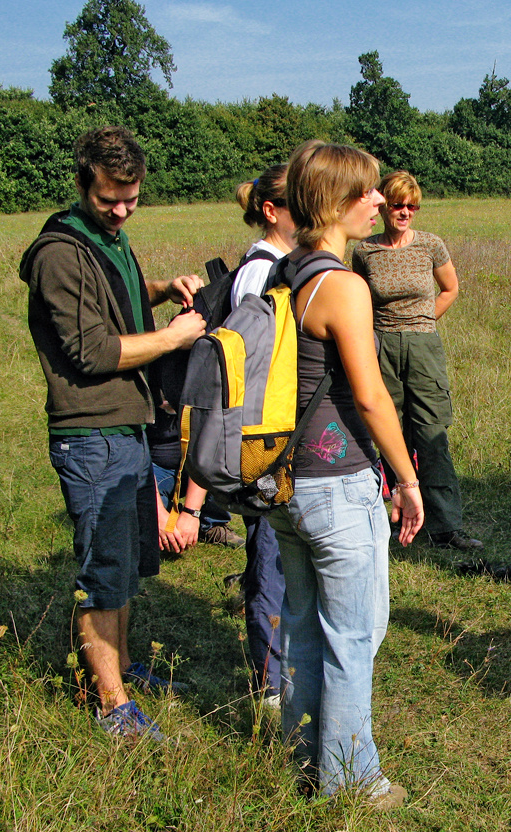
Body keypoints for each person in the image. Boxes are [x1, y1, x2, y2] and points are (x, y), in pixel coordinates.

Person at [21, 125, 207, 738]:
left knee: (126, 559)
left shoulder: (109, 241)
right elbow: (93, 351)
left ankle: (125, 666)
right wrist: (174, 337)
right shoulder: (59, 254)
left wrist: (161, 289)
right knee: (103, 565)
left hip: (127, 423)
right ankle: (109, 701)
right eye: (109, 199)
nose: (122, 210)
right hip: (90, 430)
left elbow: (118, 301)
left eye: (131, 198)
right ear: (82, 184)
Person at [269, 141, 425, 806]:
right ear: (335, 203)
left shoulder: (285, 271)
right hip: (337, 484)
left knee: (304, 624)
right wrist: (407, 478)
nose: (379, 204)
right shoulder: (343, 285)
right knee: (354, 635)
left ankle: (300, 756)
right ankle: (351, 780)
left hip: (283, 484)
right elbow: (369, 396)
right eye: (366, 195)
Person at [351, 171, 480, 552]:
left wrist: (423, 320)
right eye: (397, 205)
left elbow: (450, 288)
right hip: (381, 347)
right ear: (384, 206)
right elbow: (359, 299)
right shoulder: (364, 250)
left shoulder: (430, 245)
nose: (405, 212)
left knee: (431, 435)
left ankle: (445, 527)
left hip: (423, 347)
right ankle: (393, 518)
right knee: (387, 431)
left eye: (412, 206)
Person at [225, 165, 297, 704]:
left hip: (282, 436)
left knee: (277, 552)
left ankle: (282, 667)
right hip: (266, 441)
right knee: (269, 553)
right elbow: (250, 368)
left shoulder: (282, 264)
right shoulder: (261, 272)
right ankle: (270, 683)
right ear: (271, 211)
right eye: (299, 203)